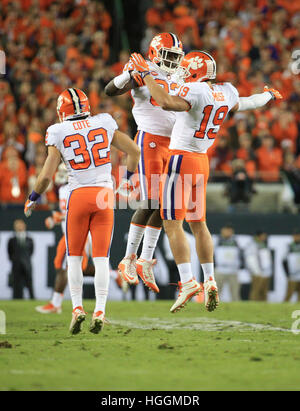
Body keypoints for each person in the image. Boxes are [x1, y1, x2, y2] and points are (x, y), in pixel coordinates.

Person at [129, 50, 282, 312]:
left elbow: (165, 102)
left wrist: (145, 74)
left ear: (196, 73)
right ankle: (209, 279)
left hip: (181, 159)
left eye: (187, 70)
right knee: (199, 225)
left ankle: (188, 281)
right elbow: (247, 103)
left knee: (172, 224)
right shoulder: (227, 91)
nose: (183, 74)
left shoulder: (195, 92)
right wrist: (268, 95)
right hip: (202, 163)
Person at [24, 88, 140, 334]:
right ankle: (99, 310)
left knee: (74, 259)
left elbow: (46, 176)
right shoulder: (103, 121)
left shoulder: (58, 131)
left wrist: (33, 197)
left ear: (61, 111)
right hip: (103, 196)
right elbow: (135, 151)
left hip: (77, 196)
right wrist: (128, 179)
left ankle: (77, 309)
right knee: (101, 259)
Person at [104, 33, 184, 293]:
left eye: (176, 56)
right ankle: (128, 258)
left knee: (163, 206)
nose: (172, 61)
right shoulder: (144, 69)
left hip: (173, 144)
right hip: (149, 139)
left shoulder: (179, 75)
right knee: (150, 201)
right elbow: (110, 90)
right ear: (154, 53)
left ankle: (145, 259)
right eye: (168, 55)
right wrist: (129, 75)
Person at [8, 219, 34, 299]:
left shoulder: (29, 239)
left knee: (29, 283)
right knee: (16, 284)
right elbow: (10, 252)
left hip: (27, 264)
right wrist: (15, 260)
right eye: (17, 225)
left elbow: (31, 251)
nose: (19, 227)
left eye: (21, 225)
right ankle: (16, 298)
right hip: (16, 265)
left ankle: (32, 298)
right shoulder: (11, 240)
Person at [214, 224, 242, 301]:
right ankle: (212, 306)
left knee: (235, 292)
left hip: (232, 270)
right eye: (226, 230)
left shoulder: (235, 241)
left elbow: (240, 255)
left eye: (230, 231)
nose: (228, 232)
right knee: (216, 291)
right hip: (220, 269)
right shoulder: (217, 240)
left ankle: (236, 308)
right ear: (222, 231)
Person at [244, 230, 272, 301]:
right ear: (259, 236)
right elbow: (250, 259)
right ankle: (253, 306)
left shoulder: (263, 244)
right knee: (256, 291)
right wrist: (257, 271)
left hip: (266, 272)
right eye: (263, 236)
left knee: (264, 292)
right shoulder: (252, 245)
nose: (265, 237)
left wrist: (268, 271)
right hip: (257, 273)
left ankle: (264, 307)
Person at [283, 229, 300, 302]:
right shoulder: (289, 246)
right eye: (295, 236)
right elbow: (284, 260)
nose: (297, 237)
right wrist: (287, 273)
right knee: (289, 294)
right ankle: (284, 309)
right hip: (292, 275)